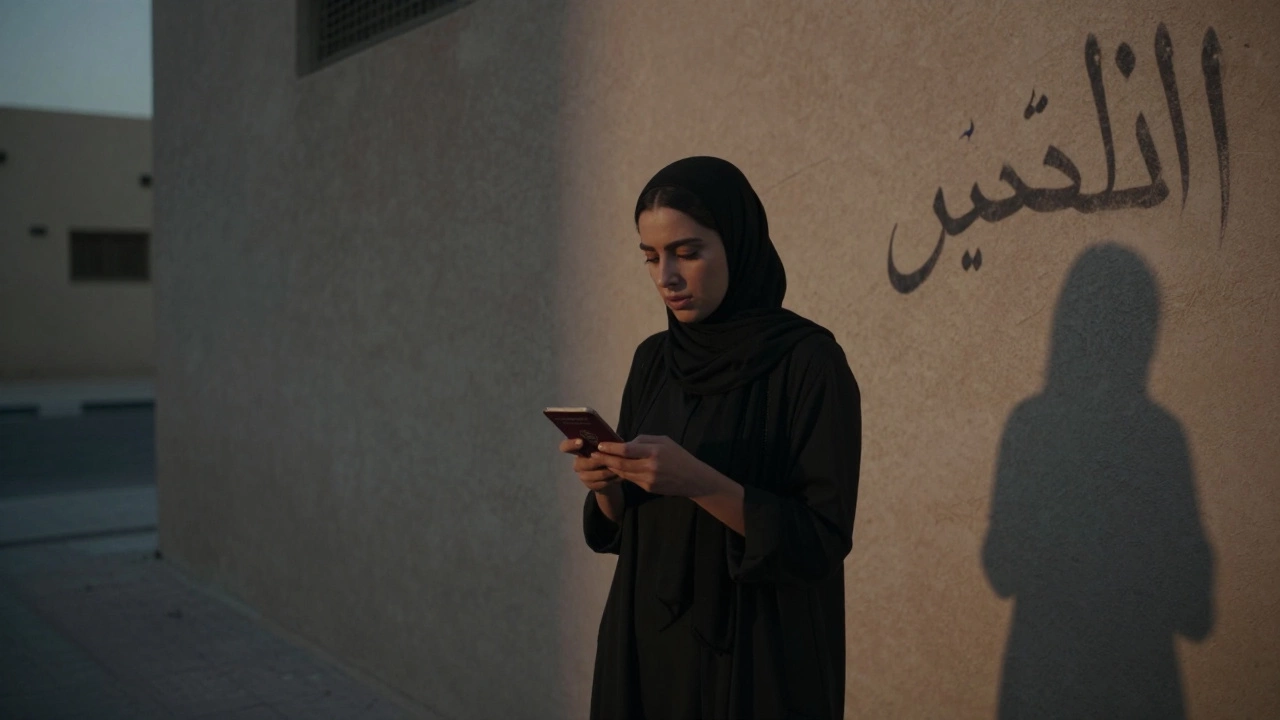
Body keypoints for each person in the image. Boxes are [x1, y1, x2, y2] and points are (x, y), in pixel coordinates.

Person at [557, 156, 861, 719]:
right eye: (650, 257)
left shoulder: (809, 362)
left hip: (754, 654)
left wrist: (700, 482)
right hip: (647, 642)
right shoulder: (654, 359)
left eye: (687, 253)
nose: (665, 277)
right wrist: (606, 484)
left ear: (739, 245)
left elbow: (821, 537)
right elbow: (630, 523)